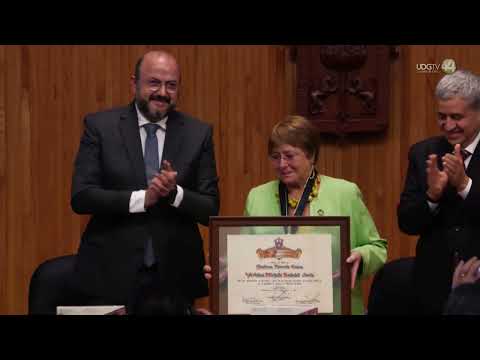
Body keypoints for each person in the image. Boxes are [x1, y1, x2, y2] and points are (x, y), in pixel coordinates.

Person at [70, 50, 219, 313]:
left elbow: (210, 209)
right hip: (110, 271)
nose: (162, 92)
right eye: (154, 82)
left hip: (175, 279)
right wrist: (143, 198)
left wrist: (175, 194)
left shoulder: (198, 133)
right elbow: (82, 196)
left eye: (171, 85)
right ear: (134, 84)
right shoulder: (101, 127)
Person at [205, 115, 387, 315]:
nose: (282, 164)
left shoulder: (345, 193)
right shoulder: (257, 197)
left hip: (335, 307)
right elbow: (247, 257)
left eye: (289, 156)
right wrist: (226, 268)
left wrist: (362, 256)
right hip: (273, 309)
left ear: (310, 154)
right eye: (275, 157)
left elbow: (378, 248)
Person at [398, 69, 480, 315]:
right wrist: (431, 197)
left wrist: (465, 185)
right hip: (433, 288)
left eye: (457, 117)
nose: (448, 125)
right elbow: (407, 223)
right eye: (442, 116)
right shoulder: (423, 153)